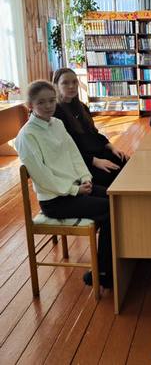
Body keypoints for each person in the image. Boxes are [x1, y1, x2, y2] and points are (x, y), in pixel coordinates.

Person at [15, 80, 113, 288]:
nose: (48, 106)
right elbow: (43, 176)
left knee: (116, 198)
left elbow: (74, 154)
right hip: (56, 200)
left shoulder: (57, 124)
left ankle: (119, 259)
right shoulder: (27, 135)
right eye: (41, 102)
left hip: (76, 188)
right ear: (30, 105)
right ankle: (104, 271)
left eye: (52, 100)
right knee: (110, 209)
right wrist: (75, 189)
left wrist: (85, 178)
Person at [52, 68, 129, 187]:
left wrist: (112, 147)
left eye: (74, 82)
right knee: (112, 175)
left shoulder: (82, 107)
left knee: (125, 161)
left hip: (96, 152)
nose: (71, 86)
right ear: (56, 86)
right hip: (81, 161)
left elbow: (94, 133)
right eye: (65, 83)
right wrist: (94, 161)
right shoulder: (56, 112)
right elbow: (65, 150)